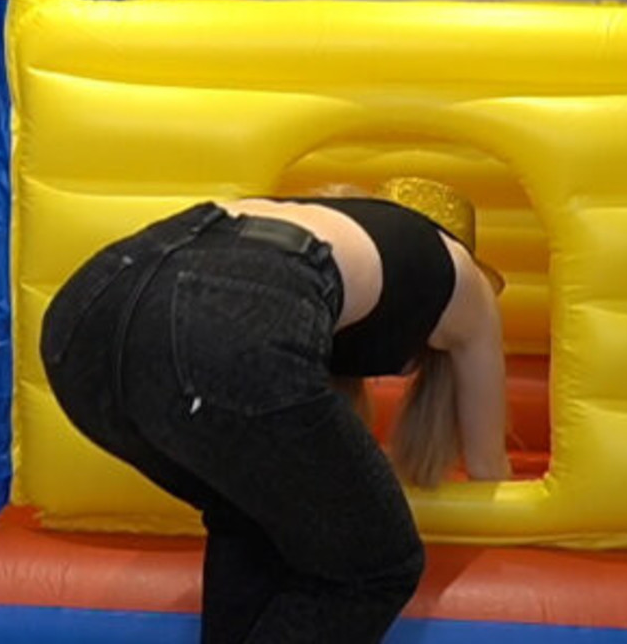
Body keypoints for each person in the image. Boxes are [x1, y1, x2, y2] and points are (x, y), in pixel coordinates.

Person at [41, 177, 510, 644]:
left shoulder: (342, 235)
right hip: (227, 311)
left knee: (249, 517)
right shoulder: (464, 281)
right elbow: (488, 467)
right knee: (379, 565)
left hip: (84, 316)